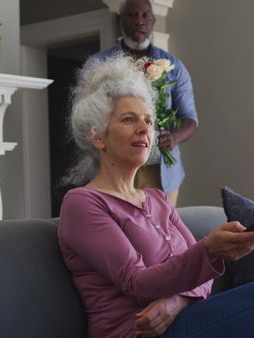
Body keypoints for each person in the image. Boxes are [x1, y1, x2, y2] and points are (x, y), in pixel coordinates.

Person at [58, 55, 254, 338]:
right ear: (98, 136)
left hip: (186, 320)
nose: (144, 128)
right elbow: (138, 283)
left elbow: (205, 279)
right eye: (128, 119)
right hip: (137, 332)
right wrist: (209, 250)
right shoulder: (83, 204)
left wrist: (178, 302)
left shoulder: (157, 199)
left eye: (148, 120)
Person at [88, 0, 198, 206]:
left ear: (153, 20)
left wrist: (174, 138)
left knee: (162, 230)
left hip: (162, 171)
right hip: (114, 166)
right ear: (120, 19)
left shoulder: (173, 66)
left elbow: (190, 119)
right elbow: (88, 117)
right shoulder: (98, 65)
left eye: (145, 15)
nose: (139, 21)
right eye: (132, 15)